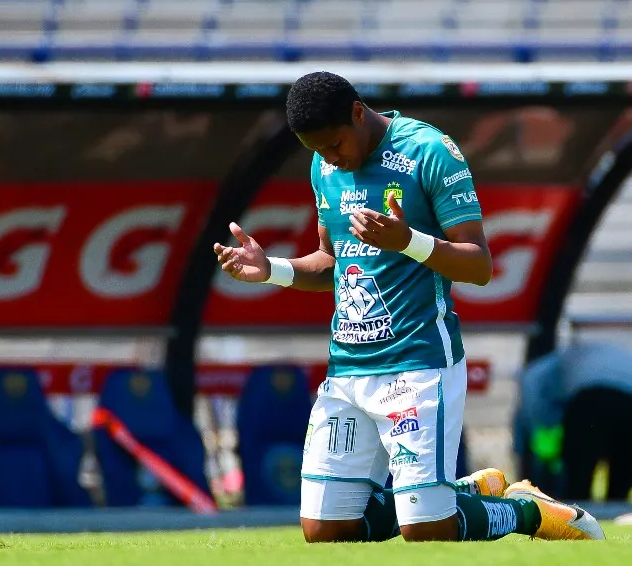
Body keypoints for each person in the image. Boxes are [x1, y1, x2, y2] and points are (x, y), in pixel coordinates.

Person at [214, 71, 604, 543]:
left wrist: (408, 242)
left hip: (418, 364)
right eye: (317, 151)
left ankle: (529, 512)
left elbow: (479, 265)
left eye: (334, 145)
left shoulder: (429, 151)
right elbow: (333, 263)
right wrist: (270, 269)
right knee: (325, 531)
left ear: (358, 113)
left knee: (427, 530)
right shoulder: (325, 167)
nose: (330, 158)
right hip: (348, 369)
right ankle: (463, 492)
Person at [517, 340, 632, 502]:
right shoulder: (596, 353)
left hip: (590, 400)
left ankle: (577, 508)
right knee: (620, 482)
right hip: (628, 400)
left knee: (578, 485)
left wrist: (543, 455)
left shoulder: (543, 367)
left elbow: (535, 409)